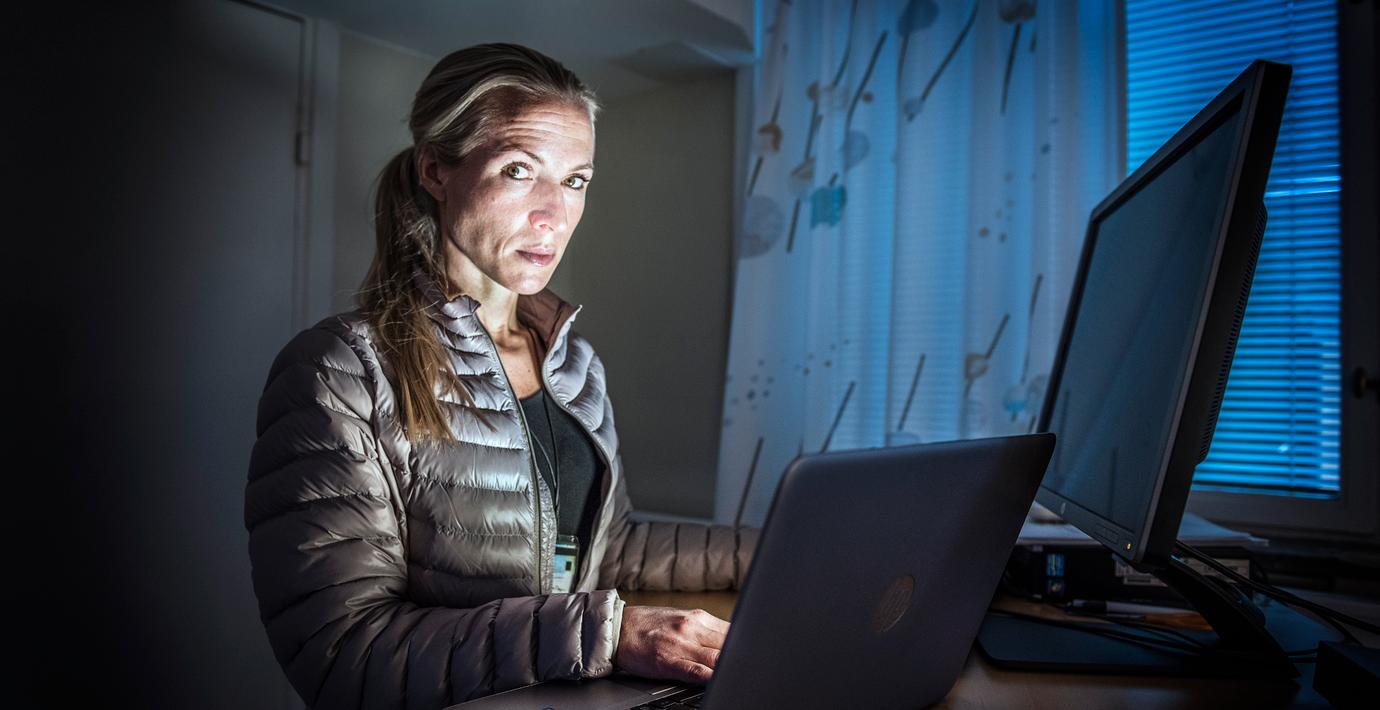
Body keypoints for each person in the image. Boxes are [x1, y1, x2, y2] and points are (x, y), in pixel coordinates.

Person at [243, 43, 759, 709]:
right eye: (519, 171)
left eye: (576, 180)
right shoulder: (341, 369)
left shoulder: (574, 363)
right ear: (436, 170)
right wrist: (606, 634)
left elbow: (603, 547)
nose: (554, 216)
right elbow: (345, 655)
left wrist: (777, 549)